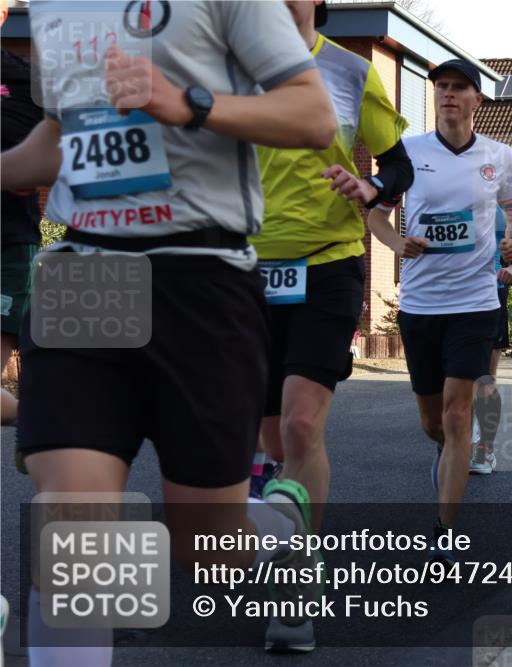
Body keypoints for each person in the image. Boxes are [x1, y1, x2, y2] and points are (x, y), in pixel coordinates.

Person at [3, 0, 339, 661]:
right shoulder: (58, 8)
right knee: (73, 521)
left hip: (201, 274)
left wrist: (189, 102)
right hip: (85, 267)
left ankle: (279, 524)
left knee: (209, 548)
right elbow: (56, 140)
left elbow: (314, 116)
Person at [251, 0, 414, 648]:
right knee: (271, 438)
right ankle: (288, 536)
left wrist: (374, 192)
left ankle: (297, 577)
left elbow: (398, 164)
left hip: (330, 263)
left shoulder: (349, 71)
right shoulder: (237, 69)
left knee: (299, 422)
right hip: (251, 269)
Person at [365, 59, 512, 557]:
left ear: (478, 99)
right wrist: (399, 245)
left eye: (460, 87)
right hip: (420, 304)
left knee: (460, 418)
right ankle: (445, 451)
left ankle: (445, 530)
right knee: (433, 423)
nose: (448, 95)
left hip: (475, 302)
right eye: (441, 87)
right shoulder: (408, 154)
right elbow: (376, 218)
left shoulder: (500, 157)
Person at [470, 206, 512, 474]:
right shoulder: (447, 194)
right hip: (451, 298)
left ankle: (485, 449)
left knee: (485, 377)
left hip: (491, 296)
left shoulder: (505, 209)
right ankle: (454, 439)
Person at [1, 23, 44, 425]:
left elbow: (32, 162)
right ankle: (40, 421)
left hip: (7, 246)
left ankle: (40, 421)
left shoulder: (23, 80)